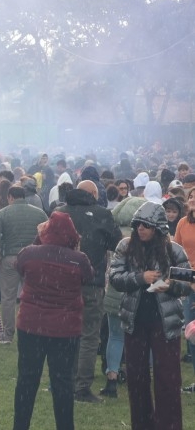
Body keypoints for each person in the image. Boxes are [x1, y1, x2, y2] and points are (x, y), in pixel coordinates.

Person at [109, 201, 191, 430]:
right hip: (134, 321)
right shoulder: (125, 246)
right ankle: (142, 425)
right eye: (137, 225)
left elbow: (187, 283)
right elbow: (115, 277)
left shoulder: (173, 249)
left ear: (158, 227)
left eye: (146, 225)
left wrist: (170, 286)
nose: (140, 229)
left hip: (165, 322)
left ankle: (169, 426)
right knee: (137, 379)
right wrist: (140, 278)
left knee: (168, 379)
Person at [12, 212, 93, 430]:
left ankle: (20, 426)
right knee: (63, 382)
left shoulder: (30, 253)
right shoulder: (79, 259)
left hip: (31, 325)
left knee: (27, 379)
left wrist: (39, 241)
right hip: (65, 328)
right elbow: (89, 278)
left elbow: (20, 266)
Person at [53, 180, 121, 403]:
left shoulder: (59, 212)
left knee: (64, 333)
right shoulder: (103, 214)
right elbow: (116, 244)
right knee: (89, 335)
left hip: (62, 283)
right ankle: (82, 388)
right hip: (91, 282)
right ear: (93, 194)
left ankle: (62, 382)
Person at [0, 186, 48, 343]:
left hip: (10, 258)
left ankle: (8, 334)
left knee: (8, 298)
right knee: (33, 296)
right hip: (33, 258)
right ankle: (35, 330)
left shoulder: (2, 214)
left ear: (10, 197)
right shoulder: (40, 213)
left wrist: (1, 251)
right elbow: (47, 234)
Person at [175, 188, 195, 391]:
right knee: (191, 331)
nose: (193, 199)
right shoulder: (182, 223)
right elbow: (176, 255)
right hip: (189, 280)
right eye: (191, 196)